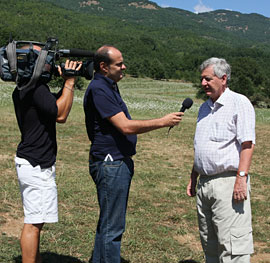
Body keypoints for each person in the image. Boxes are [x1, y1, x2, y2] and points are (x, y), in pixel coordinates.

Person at [83, 45, 184, 263]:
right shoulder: (100, 89)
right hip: (111, 163)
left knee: (108, 224)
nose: (124, 67)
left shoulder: (108, 86)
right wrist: (162, 121)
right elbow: (125, 126)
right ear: (103, 66)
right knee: (112, 229)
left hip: (114, 162)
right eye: (119, 64)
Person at [12, 44, 82, 263]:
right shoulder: (36, 89)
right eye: (47, 60)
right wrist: (70, 81)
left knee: (35, 220)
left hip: (30, 161)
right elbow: (60, 114)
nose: (51, 64)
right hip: (36, 164)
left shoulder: (25, 87)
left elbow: (53, 105)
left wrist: (64, 83)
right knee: (33, 223)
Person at [186, 57, 255, 262]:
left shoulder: (239, 103)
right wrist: (194, 175)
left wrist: (241, 178)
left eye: (208, 79)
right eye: (202, 79)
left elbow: (247, 145)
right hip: (205, 185)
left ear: (223, 78)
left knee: (233, 247)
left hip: (228, 183)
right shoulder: (204, 108)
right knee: (210, 244)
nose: (203, 83)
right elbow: (202, 145)